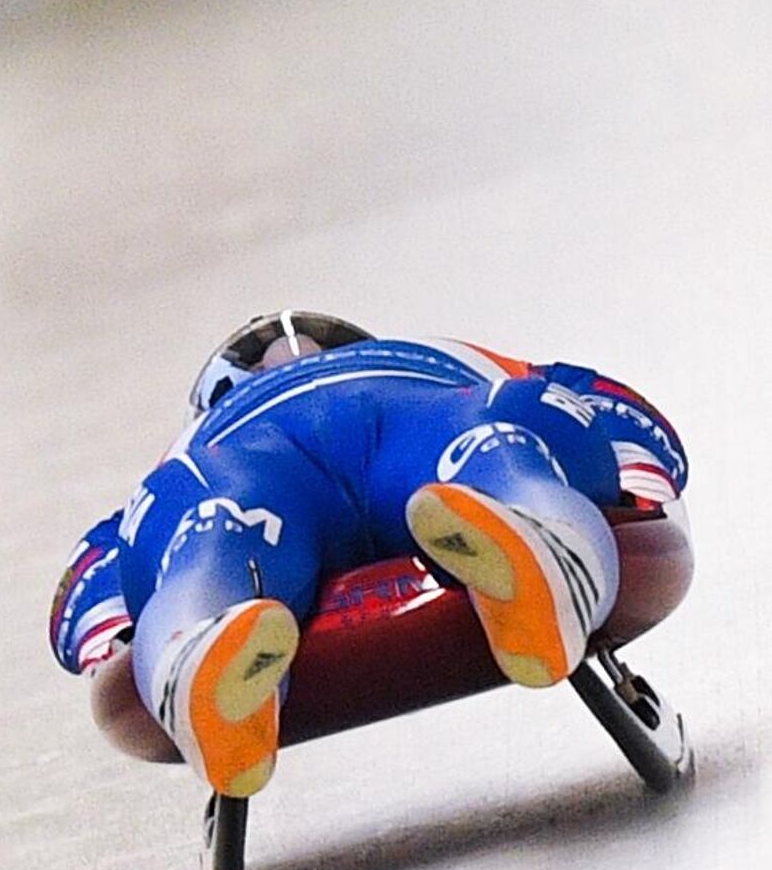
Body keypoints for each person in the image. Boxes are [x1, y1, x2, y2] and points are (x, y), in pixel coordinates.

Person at [49, 311, 688, 798]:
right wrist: (635, 488)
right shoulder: (441, 356)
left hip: (241, 462)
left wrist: (118, 641)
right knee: (494, 437)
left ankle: (196, 644)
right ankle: (539, 531)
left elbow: (90, 587)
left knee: (210, 530)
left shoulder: (193, 449)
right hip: (419, 405)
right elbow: (616, 412)